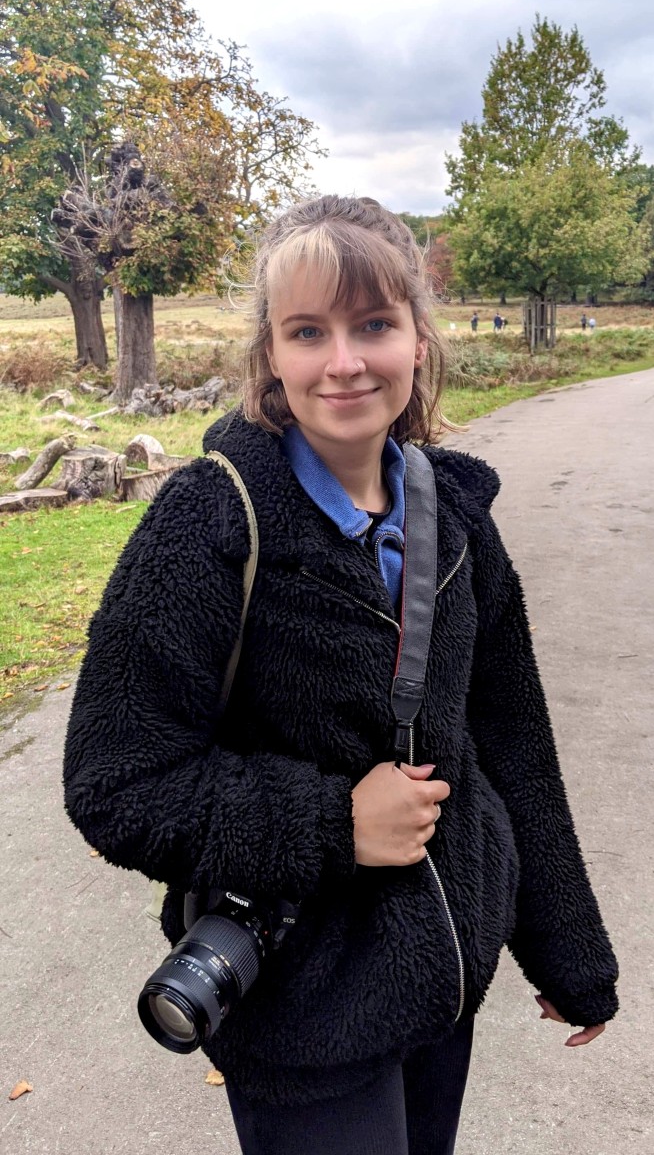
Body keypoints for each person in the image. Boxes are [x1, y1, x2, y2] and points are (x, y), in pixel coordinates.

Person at [63, 196, 618, 1155]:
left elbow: (515, 739)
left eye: (373, 325)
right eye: (309, 331)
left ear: (417, 338)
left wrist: (569, 952)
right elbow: (115, 779)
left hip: (444, 979)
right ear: (271, 355)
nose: (345, 361)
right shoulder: (209, 525)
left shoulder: (458, 520)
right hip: (301, 1006)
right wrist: (333, 825)